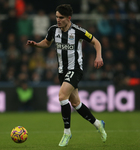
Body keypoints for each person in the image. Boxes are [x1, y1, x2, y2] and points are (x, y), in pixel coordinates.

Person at [26, 4, 107, 147]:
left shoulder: (78, 31)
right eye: (57, 17)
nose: (58, 20)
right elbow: (47, 42)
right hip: (62, 71)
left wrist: (98, 57)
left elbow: (96, 42)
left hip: (75, 69)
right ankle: (98, 124)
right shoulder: (53, 30)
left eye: (61, 18)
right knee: (76, 103)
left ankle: (67, 132)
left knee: (62, 96)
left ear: (68, 18)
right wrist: (36, 45)